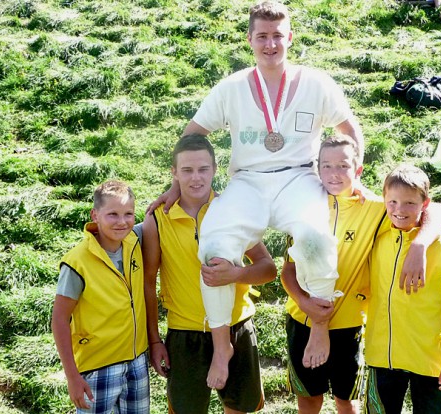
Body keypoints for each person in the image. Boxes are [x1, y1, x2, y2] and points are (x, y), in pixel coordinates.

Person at [153, 1, 364, 390]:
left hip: (299, 179)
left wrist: (355, 175)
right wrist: (175, 185)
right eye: (262, 37)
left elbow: (349, 126)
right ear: (249, 38)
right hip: (247, 182)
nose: (271, 45)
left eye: (278, 36)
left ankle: (320, 323)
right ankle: (222, 346)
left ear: (290, 37)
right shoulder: (231, 87)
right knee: (213, 248)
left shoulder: (317, 82)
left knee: (317, 241)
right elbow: (193, 133)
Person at [281, 136, 441, 414]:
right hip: (303, 319)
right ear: (317, 168)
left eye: (343, 166)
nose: (334, 174)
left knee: (347, 400)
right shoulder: (302, 208)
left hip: (349, 325)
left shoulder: (377, 208)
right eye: (327, 166)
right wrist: (303, 302)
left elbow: (438, 210)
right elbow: (287, 270)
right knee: (309, 399)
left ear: (358, 169)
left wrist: (419, 245)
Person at [142, 134, 276, 413]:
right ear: (174, 173)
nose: (196, 178)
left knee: (239, 409)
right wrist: (154, 340)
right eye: (187, 170)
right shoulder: (157, 219)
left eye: (203, 169)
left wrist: (236, 275)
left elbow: (268, 268)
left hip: (236, 326)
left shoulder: (232, 212)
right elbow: (147, 283)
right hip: (184, 333)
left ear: (215, 169)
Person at [364, 165, 441, 414]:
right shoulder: (376, 240)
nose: (400, 210)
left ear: (425, 203)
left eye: (410, 203)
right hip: (383, 357)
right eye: (393, 202)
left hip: (431, 361)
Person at [51, 180, 149, 414]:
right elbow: (59, 320)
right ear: (95, 214)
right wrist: (72, 377)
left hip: (137, 363)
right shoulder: (77, 262)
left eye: (128, 214)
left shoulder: (135, 240)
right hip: (97, 368)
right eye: (112, 214)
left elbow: (158, 218)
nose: (122, 221)